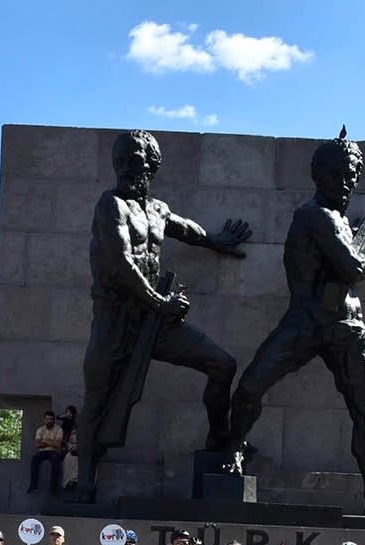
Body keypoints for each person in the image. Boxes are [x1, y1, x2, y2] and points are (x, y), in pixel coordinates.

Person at [221, 129, 365, 517]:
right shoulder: (314, 216)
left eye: (352, 175)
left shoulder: (341, 220)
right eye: (337, 174)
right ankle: (233, 452)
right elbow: (354, 266)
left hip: (347, 324)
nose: (345, 183)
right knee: (248, 389)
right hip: (306, 321)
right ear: (318, 176)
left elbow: (348, 269)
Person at [76, 129, 250, 500]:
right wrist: (159, 301)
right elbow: (121, 263)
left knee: (222, 364)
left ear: (152, 164)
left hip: (156, 321)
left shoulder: (157, 210)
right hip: (116, 320)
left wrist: (215, 240)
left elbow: (187, 230)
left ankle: (219, 440)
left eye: (133, 159)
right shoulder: (111, 205)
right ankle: (86, 483)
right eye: (119, 160)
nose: (124, 167)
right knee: (97, 398)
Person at [27, 411, 65, 493]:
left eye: (51, 419)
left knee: (56, 460)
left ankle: (53, 488)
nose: (49, 421)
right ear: (44, 420)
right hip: (42, 452)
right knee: (35, 459)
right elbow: (37, 445)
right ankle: (33, 486)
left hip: (53, 452)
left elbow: (58, 444)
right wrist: (51, 442)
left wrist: (45, 441)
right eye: (47, 419)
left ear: (54, 420)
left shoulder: (59, 429)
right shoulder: (40, 430)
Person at [61, 405, 80, 491]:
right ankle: (67, 482)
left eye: (70, 412)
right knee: (68, 458)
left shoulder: (77, 425)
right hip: (68, 448)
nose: (68, 414)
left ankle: (74, 480)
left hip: (80, 450)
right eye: (67, 412)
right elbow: (65, 440)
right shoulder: (65, 424)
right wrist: (70, 447)